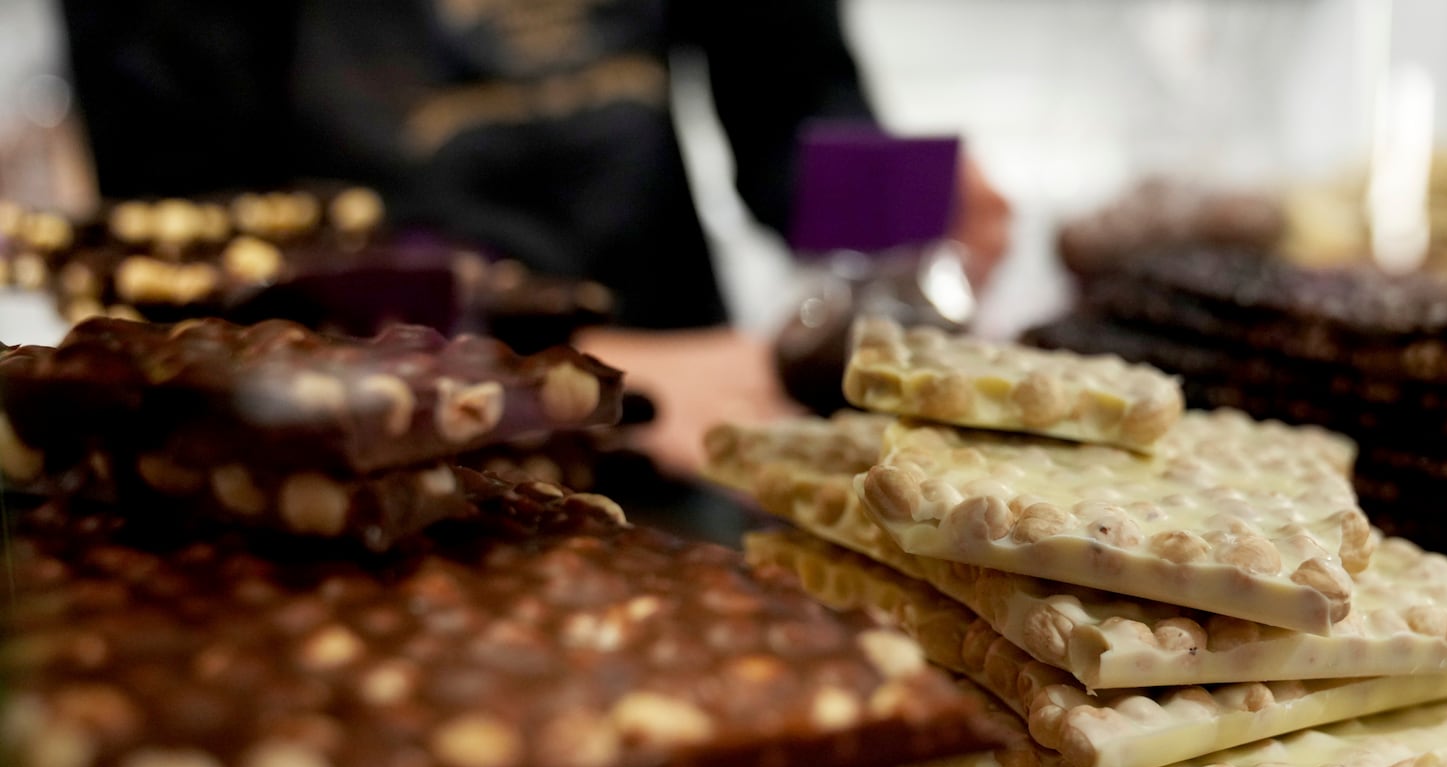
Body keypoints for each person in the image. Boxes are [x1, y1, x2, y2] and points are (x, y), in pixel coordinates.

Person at [60, 0, 1010, 469]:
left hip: (696, 418)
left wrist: (897, 227)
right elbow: (177, 263)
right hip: (363, 455)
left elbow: (790, 94)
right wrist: (545, 365)